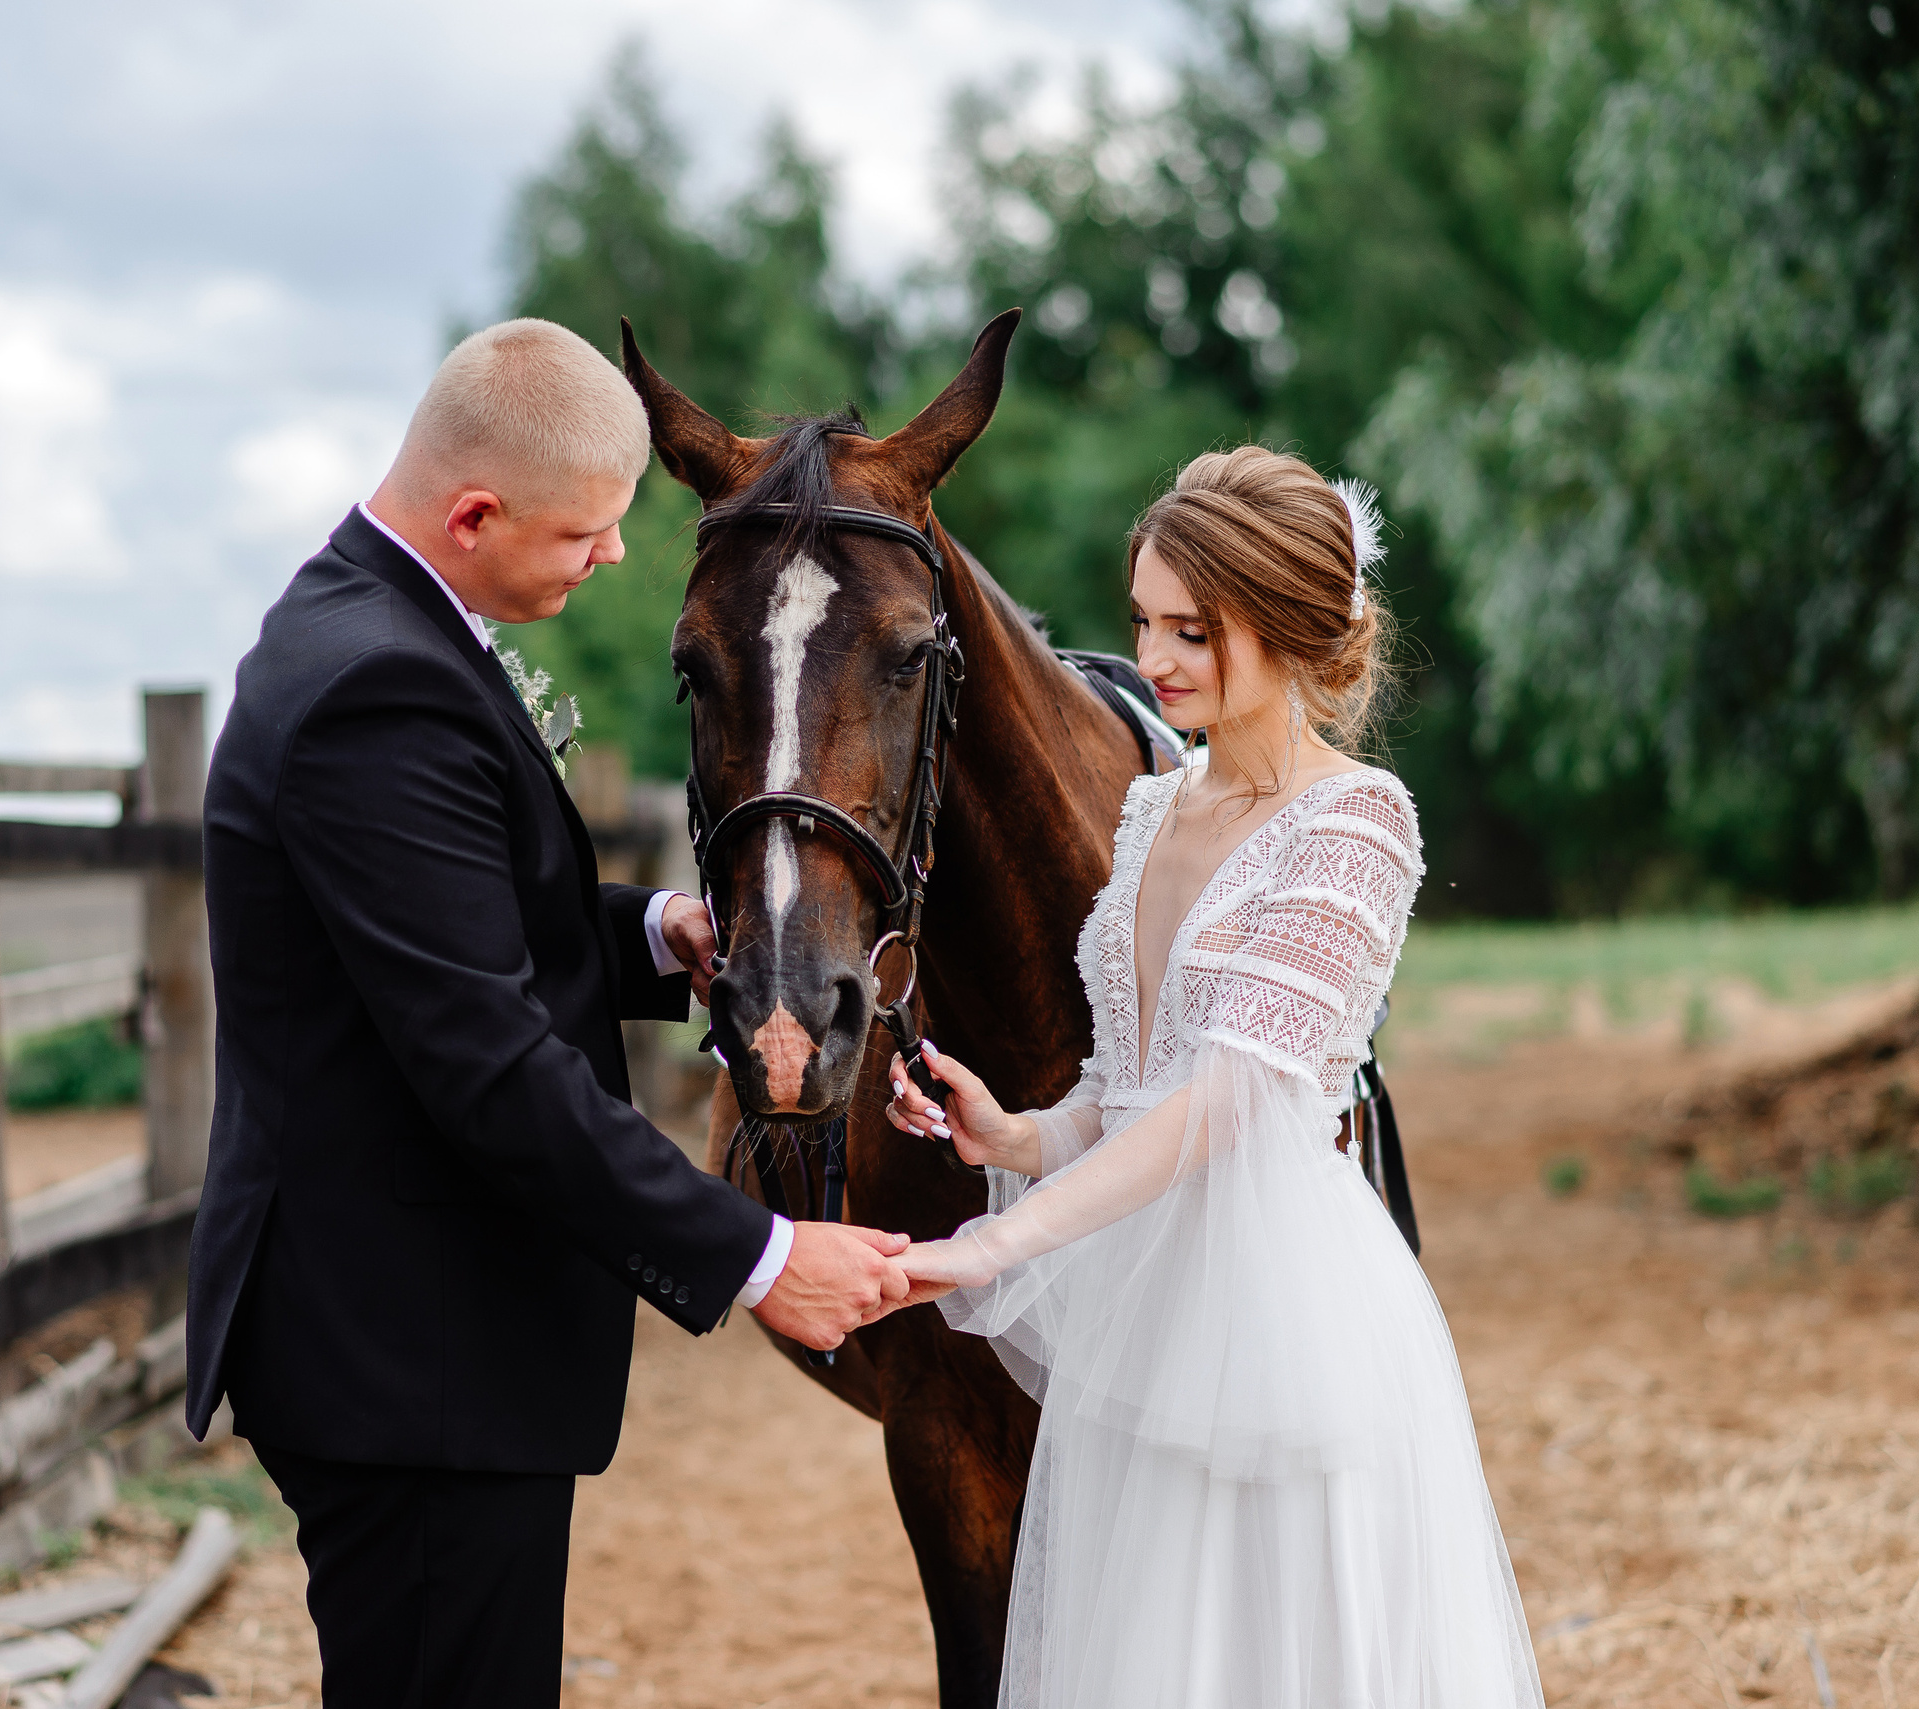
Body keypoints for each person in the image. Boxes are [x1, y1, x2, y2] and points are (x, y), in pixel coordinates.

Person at [183, 318, 913, 1709]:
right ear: (474, 514)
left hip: (415, 1336)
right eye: (588, 531)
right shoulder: (376, 692)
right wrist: (760, 1252)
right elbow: (491, 1067)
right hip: (404, 1350)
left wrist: (651, 932)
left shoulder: (377, 624)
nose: (615, 555)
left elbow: (452, 925)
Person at [885, 447, 1546, 1706]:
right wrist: (1018, 1133)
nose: (1155, 656)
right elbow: (1136, 1077)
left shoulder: (1356, 823)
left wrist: (993, 1245)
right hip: (1142, 1304)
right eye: (1143, 619)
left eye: (1195, 628)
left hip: (1283, 1310)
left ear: (1293, 628)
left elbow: (1231, 1095)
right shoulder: (1152, 809)